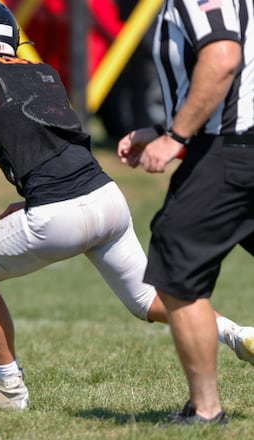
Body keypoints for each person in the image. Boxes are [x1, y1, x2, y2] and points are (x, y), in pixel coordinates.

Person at [0, 0, 254, 411]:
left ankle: (8, 389)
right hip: (107, 200)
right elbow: (55, 148)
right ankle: (235, 332)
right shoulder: (41, 71)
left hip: (57, 215)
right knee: (148, 299)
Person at [116, 0, 254, 425]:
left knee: (177, 260)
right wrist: (161, 129)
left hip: (231, 150)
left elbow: (223, 58)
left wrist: (176, 135)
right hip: (237, 144)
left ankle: (206, 410)